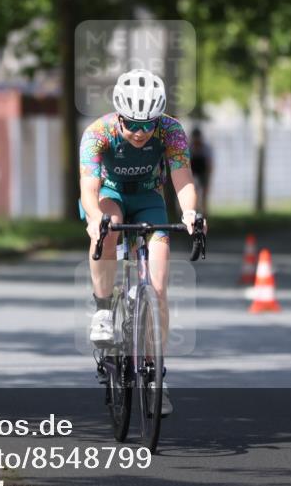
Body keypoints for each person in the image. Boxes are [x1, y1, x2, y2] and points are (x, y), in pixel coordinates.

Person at [79, 68, 203, 416]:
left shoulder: (172, 131)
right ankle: (104, 309)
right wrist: (94, 218)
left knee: (159, 288)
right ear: (118, 115)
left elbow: (182, 179)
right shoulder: (97, 133)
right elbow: (88, 187)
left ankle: (155, 377)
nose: (138, 132)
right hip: (109, 195)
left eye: (147, 125)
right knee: (110, 227)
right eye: (131, 124)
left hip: (149, 197)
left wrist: (190, 212)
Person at [189, 127, 213, 215]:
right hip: (193, 174)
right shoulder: (189, 148)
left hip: (203, 173)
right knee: (193, 194)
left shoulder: (206, 148)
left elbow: (209, 163)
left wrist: (208, 176)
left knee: (204, 196)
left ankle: (204, 213)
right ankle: (193, 212)